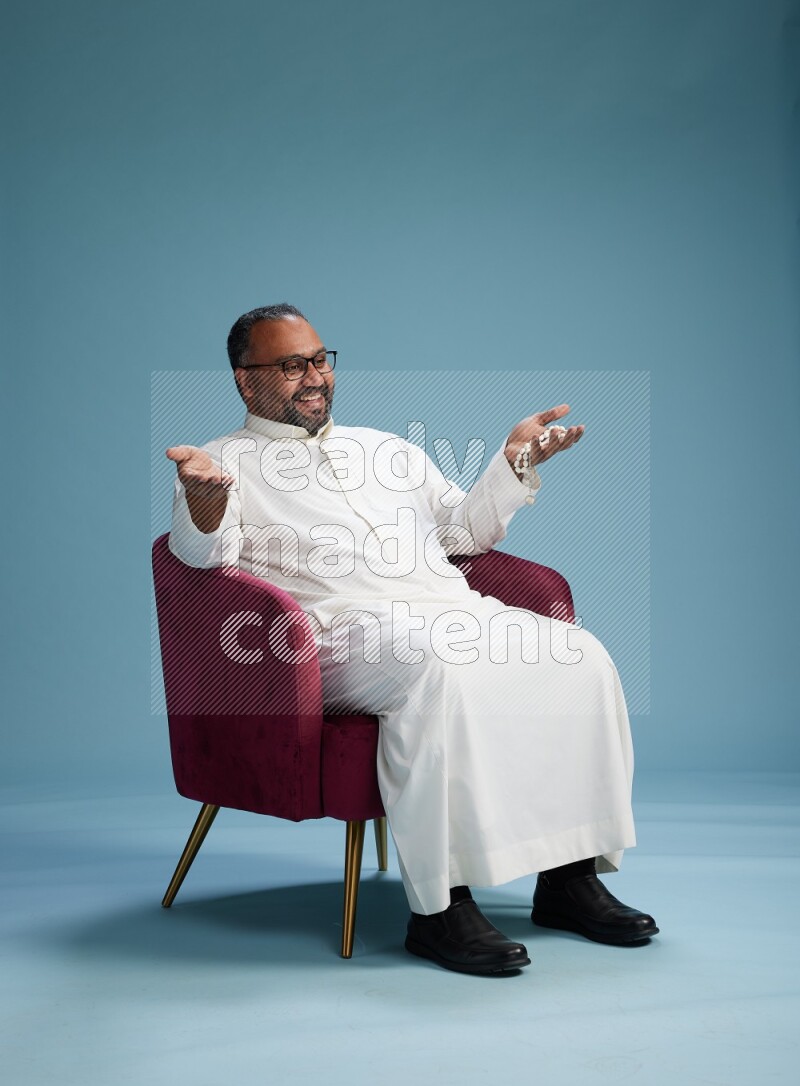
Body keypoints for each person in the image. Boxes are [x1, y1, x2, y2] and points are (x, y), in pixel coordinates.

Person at [166, 302, 659, 976]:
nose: (314, 377)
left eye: (319, 360)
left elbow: (463, 532)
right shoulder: (219, 463)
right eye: (291, 366)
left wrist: (511, 463)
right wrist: (204, 503)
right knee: (437, 668)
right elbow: (202, 557)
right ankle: (440, 909)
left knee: (580, 657)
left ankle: (570, 880)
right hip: (330, 637)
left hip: (444, 610)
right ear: (245, 379)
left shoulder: (387, 449)